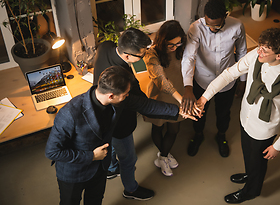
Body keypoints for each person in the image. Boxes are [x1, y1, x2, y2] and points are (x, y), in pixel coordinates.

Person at [45, 66, 182, 205]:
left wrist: (180, 111)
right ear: (111, 95)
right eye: (126, 94)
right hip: (74, 173)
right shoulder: (70, 113)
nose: (128, 96)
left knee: (95, 201)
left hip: (100, 168)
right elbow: (52, 152)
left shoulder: (117, 99)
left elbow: (146, 105)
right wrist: (91, 156)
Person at [197, 28, 280, 203]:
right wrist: (204, 98)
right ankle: (250, 175)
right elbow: (230, 74)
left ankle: (251, 191)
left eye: (264, 50)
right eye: (260, 47)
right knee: (249, 155)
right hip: (246, 118)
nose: (258, 51)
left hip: (264, 130)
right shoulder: (257, 55)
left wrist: (278, 146)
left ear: (279, 55)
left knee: (258, 163)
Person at [93, 28, 154, 200]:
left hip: (103, 115)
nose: (142, 58)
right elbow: (140, 99)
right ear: (127, 56)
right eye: (141, 56)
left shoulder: (105, 47)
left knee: (109, 145)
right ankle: (131, 190)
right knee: (128, 159)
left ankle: (111, 169)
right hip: (120, 123)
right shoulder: (123, 75)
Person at [181, 0, 247, 157]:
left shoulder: (237, 26)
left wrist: (243, 81)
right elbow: (188, 57)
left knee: (224, 113)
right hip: (202, 80)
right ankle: (198, 135)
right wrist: (187, 87)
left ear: (225, 16)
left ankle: (221, 136)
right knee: (198, 113)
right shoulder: (196, 28)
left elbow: (242, 53)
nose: (211, 28)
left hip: (227, 81)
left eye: (216, 25)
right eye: (208, 24)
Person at [143, 20, 186, 176]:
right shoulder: (151, 54)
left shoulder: (180, 48)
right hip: (160, 96)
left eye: (178, 44)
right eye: (171, 45)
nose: (175, 48)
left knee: (174, 128)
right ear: (162, 41)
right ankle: (164, 155)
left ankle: (163, 156)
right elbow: (162, 82)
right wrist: (182, 99)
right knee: (158, 127)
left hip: (178, 92)